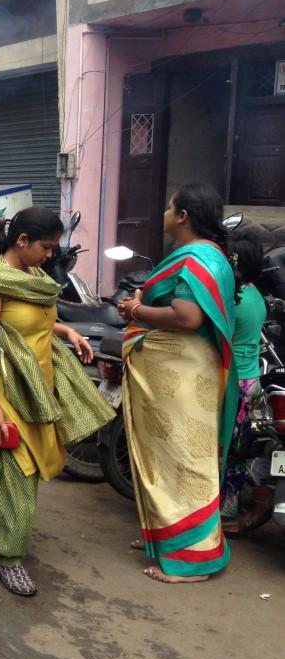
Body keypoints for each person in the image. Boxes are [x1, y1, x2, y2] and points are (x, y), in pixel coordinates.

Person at [0, 206, 113, 597]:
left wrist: (66, 332)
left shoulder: (35, 277)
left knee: (11, 463)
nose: (50, 255)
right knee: (22, 471)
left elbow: (36, 318)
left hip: (37, 384)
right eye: (46, 247)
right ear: (22, 241)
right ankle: (7, 559)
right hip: (2, 387)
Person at [116, 183, 237, 585]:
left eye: (170, 207)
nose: (165, 213)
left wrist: (136, 309)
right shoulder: (208, 255)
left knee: (184, 459)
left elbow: (187, 317)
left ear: (183, 215)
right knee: (168, 456)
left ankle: (195, 559)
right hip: (181, 372)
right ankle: (169, 536)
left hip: (182, 375)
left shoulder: (199, 256)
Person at [218, 229, 267, 532]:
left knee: (227, 451)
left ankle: (223, 511)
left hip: (236, 382)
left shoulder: (235, 299)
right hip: (250, 380)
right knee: (235, 449)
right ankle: (227, 508)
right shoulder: (255, 295)